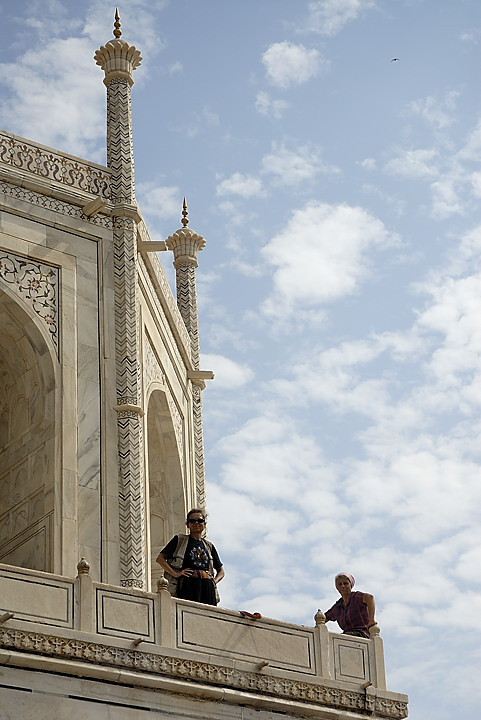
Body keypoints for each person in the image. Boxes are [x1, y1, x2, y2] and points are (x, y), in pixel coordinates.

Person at [156, 509, 224, 606]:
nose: (196, 523)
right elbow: (160, 559)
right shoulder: (179, 540)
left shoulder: (209, 546)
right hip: (188, 584)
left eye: (200, 521)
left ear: (204, 524)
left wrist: (214, 581)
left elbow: (221, 571)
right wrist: (175, 574)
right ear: (187, 524)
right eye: (192, 521)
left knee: (208, 616)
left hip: (207, 587)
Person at [324, 572, 376, 638]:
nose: (343, 586)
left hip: (362, 634)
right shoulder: (338, 606)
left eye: (345, 583)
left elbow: (370, 598)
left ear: (350, 585)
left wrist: (371, 620)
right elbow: (324, 617)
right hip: (347, 636)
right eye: (340, 584)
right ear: (337, 588)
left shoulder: (356, 597)